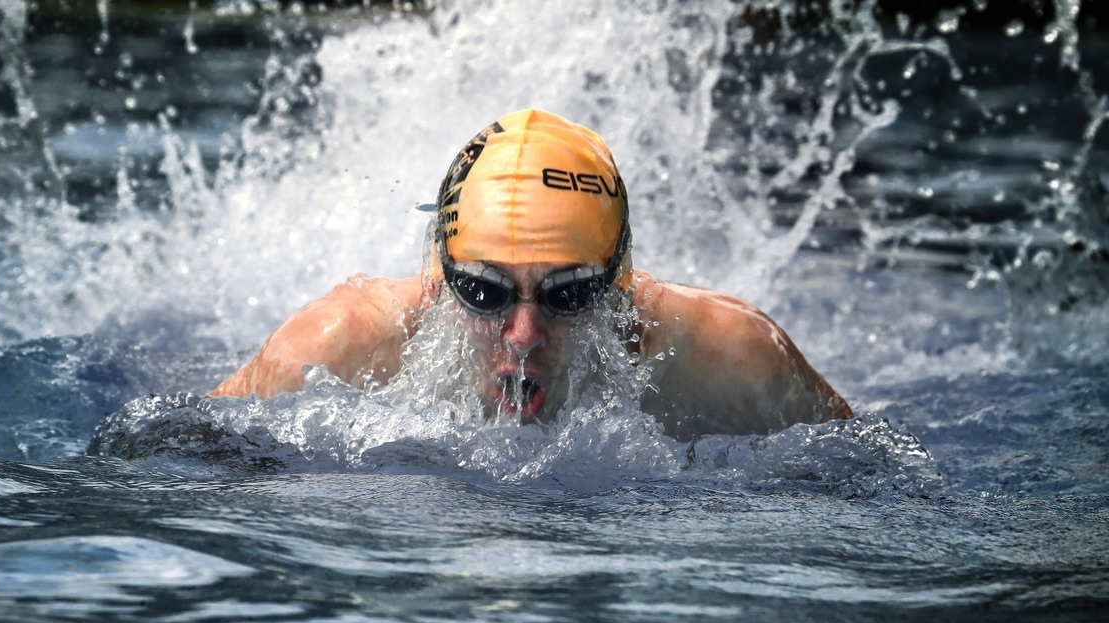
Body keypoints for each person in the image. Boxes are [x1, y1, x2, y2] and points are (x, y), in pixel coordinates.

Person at [210, 108, 853, 438]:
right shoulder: (334, 353)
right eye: (484, 292)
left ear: (618, 284)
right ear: (439, 278)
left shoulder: (730, 355)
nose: (522, 334)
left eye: (568, 294)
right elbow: (167, 453)